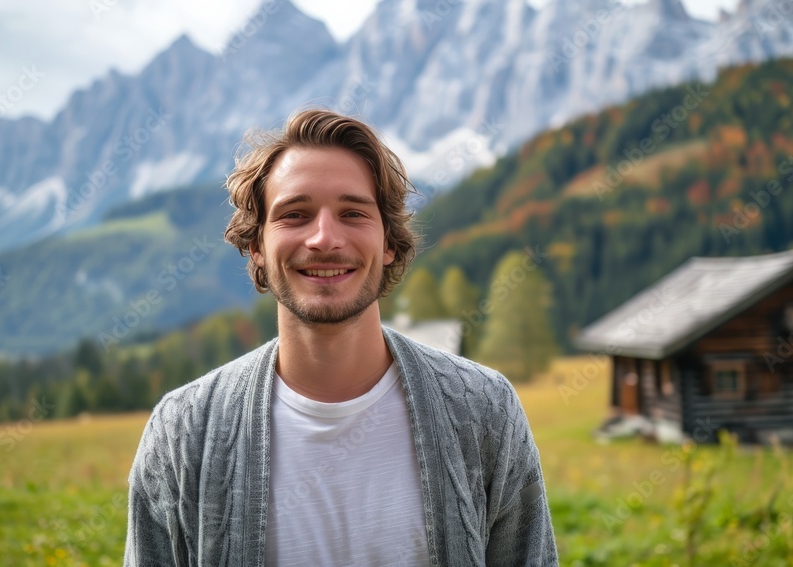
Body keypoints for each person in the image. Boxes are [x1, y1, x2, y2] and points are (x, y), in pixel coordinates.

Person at [124, 109, 558, 566]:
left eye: (352, 213)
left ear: (389, 241)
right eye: (295, 214)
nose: (325, 238)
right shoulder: (184, 430)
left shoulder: (485, 410)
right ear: (256, 244)